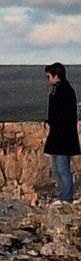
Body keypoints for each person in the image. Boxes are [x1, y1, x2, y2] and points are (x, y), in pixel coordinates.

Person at [43, 62, 80, 203]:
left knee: (63, 170)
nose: (48, 80)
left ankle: (66, 199)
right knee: (59, 170)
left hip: (62, 138)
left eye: (49, 77)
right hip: (61, 137)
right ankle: (64, 196)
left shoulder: (63, 92)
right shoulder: (61, 90)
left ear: (56, 76)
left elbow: (59, 114)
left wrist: (50, 122)